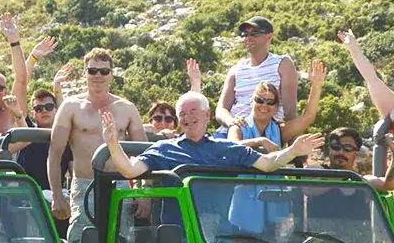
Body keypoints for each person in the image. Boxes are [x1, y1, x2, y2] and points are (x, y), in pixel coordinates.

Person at [47, 47, 147, 243]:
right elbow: (55, 154)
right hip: (85, 184)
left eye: (104, 71)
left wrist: (144, 194)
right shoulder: (71, 107)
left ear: (112, 74)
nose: (98, 76)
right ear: (85, 74)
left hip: (120, 184)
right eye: (92, 71)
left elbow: (144, 154)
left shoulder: (127, 108)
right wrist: (57, 195)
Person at [100, 92, 323, 179]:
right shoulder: (164, 149)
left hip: (219, 237)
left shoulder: (226, 148)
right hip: (174, 235)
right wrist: (112, 143)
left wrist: (293, 150)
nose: (188, 118)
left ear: (207, 114)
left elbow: (266, 163)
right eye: (183, 114)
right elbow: (129, 170)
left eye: (193, 112)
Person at [216, 16, 298, 131]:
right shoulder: (236, 70)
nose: (248, 38)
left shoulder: (283, 65)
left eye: (254, 33)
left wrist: (293, 145)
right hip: (229, 132)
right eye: (245, 34)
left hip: (262, 133)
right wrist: (232, 123)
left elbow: (290, 112)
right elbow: (221, 109)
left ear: (269, 36)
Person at [227, 61, 325, 151]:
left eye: (270, 102)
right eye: (260, 100)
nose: (264, 105)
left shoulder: (279, 131)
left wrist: (316, 86)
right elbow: (232, 148)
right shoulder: (239, 126)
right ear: (252, 101)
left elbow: (307, 118)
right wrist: (260, 141)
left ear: (276, 107)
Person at [11, 89, 70, 238]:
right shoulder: (28, 129)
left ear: (56, 109)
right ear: (34, 112)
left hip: (56, 197)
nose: (44, 111)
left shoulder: (65, 138)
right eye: (38, 108)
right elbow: (21, 84)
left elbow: (74, 169)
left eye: (49, 107)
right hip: (26, 197)